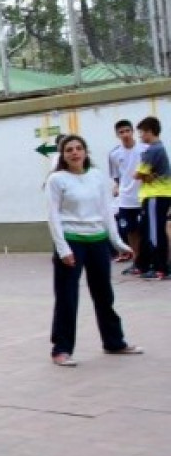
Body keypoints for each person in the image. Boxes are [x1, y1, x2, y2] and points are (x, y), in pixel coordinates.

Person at [45, 135, 143, 366]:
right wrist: (63, 249)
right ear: (63, 155)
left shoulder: (97, 177)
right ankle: (61, 349)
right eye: (69, 150)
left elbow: (107, 211)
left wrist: (118, 243)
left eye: (79, 148)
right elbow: (53, 217)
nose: (75, 153)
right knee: (67, 297)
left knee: (104, 294)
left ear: (86, 152)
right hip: (71, 242)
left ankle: (114, 342)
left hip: (98, 241)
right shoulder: (57, 180)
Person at [134, 116, 171, 280]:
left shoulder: (153, 150)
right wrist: (147, 175)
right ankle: (148, 264)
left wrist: (144, 175)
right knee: (150, 230)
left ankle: (160, 267)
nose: (141, 136)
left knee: (155, 233)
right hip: (157, 194)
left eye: (142, 133)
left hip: (156, 194)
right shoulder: (158, 149)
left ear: (150, 132)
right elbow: (144, 175)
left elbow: (138, 174)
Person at [109, 120, 147, 274]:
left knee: (146, 230)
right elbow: (116, 176)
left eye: (127, 131)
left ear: (132, 132)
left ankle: (150, 261)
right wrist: (118, 187)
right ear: (117, 135)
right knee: (130, 231)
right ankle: (137, 261)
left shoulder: (145, 149)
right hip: (126, 198)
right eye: (121, 132)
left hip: (144, 196)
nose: (125, 134)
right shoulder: (114, 153)